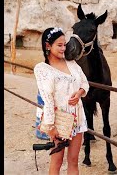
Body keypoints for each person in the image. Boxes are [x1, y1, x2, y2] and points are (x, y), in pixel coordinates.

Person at [34, 27, 89, 175]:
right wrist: (51, 126)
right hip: (59, 121)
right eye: (59, 45)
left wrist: (79, 93)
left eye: (64, 44)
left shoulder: (71, 63)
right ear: (48, 46)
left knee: (73, 161)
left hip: (77, 119)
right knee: (56, 162)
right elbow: (48, 99)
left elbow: (85, 83)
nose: (63, 48)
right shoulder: (42, 69)